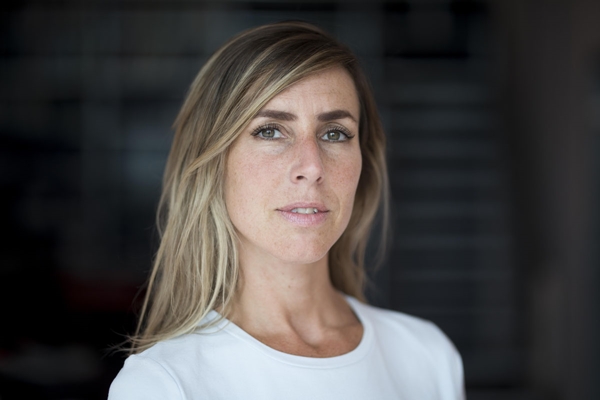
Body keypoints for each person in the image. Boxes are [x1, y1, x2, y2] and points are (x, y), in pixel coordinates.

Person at [108, 20, 465, 400]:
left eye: (334, 133)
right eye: (270, 130)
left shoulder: (426, 356)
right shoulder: (164, 383)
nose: (312, 166)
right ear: (214, 161)